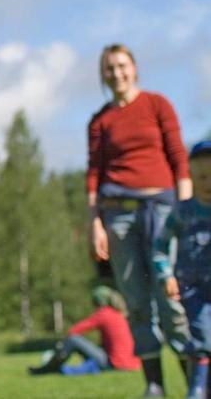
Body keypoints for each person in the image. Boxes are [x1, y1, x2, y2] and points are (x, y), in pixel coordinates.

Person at [88, 43, 192, 397]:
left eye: (122, 65)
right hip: (118, 215)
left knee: (170, 297)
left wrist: (188, 207)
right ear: (104, 75)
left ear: (134, 68)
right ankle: (155, 385)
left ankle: (196, 383)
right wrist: (95, 222)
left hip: (163, 210)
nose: (116, 73)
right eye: (109, 68)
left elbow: (178, 156)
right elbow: (94, 175)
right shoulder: (100, 120)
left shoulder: (157, 105)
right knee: (135, 302)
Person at [153, 140, 211, 399]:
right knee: (203, 336)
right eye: (202, 177)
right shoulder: (182, 212)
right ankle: (196, 388)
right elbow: (159, 247)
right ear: (191, 177)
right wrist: (166, 275)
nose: (208, 183)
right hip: (194, 290)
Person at [28, 285, 140, 376]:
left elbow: (73, 331)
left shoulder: (104, 314)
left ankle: (49, 368)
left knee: (73, 340)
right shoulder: (117, 314)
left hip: (116, 364)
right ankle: (53, 368)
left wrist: (61, 345)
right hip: (130, 364)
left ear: (96, 302)